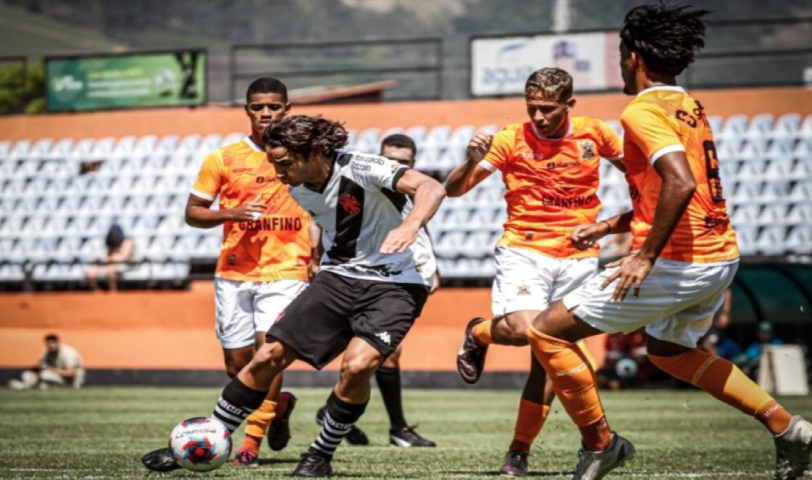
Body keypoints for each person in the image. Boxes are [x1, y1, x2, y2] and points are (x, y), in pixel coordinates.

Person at [523, 4, 812, 480]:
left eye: (620, 53)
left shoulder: (641, 110)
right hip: (718, 255)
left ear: (632, 55)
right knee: (670, 352)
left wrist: (644, 255)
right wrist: (610, 227)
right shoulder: (688, 106)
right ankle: (788, 428)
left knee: (546, 330)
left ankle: (601, 444)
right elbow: (668, 191)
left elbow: (680, 184)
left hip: (679, 261)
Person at [194, 115, 444, 477]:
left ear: (314, 153)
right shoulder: (298, 186)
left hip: (398, 281)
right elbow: (333, 222)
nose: (278, 173)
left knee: (357, 367)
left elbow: (432, 188)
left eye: (284, 163)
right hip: (339, 276)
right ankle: (207, 436)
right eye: (273, 163)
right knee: (269, 355)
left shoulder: (362, 166)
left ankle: (319, 455)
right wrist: (314, 257)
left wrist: (409, 226)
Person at [446, 67, 624, 477]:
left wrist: (614, 227)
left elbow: (641, 179)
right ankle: (479, 332)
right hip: (525, 251)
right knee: (529, 331)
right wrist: (468, 159)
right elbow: (456, 189)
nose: (538, 117)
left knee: (546, 358)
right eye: (532, 108)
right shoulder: (510, 139)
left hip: (579, 257)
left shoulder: (596, 134)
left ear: (569, 104)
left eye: (547, 109)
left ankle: (519, 452)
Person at [141, 78, 316, 471]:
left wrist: (318, 252)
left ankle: (249, 444)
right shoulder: (222, 158)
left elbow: (321, 208)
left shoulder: (306, 156)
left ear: (287, 108)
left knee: (268, 353)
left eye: (274, 106)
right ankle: (278, 406)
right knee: (238, 366)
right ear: (247, 110)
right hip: (235, 271)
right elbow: (193, 212)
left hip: (287, 269)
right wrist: (229, 213)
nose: (266, 113)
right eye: (258, 107)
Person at [312, 133, 439, 448]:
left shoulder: (409, 191)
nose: (395, 165)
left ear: (413, 164)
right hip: (352, 275)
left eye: (403, 162)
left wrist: (433, 267)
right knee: (377, 356)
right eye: (390, 159)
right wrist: (314, 255)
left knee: (379, 356)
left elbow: (418, 228)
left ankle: (339, 414)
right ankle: (389, 427)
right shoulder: (364, 183)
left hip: (396, 276)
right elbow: (320, 217)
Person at [8, 334, 85, 390]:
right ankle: (26, 385)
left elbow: (70, 374)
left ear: (58, 343)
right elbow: (40, 366)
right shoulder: (46, 352)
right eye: (49, 344)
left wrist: (50, 369)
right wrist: (34, 374)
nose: (51, 346)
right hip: (57, 377)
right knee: (28, 374)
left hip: (73, 380)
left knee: (45, 375)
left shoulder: (68, 353)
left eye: (53, 343)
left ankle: (24, 386)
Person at [85, 224, 135, 291]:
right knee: (90, 273)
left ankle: (112, 293)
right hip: (111, 264)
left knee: (111, 270)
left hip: (126, 265)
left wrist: (110, 259)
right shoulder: (111, 243)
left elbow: (123, 257)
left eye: (115, 236)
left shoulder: (127, 242)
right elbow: (107, 256)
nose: (113, 238)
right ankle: (97, 294)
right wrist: (103, 261)